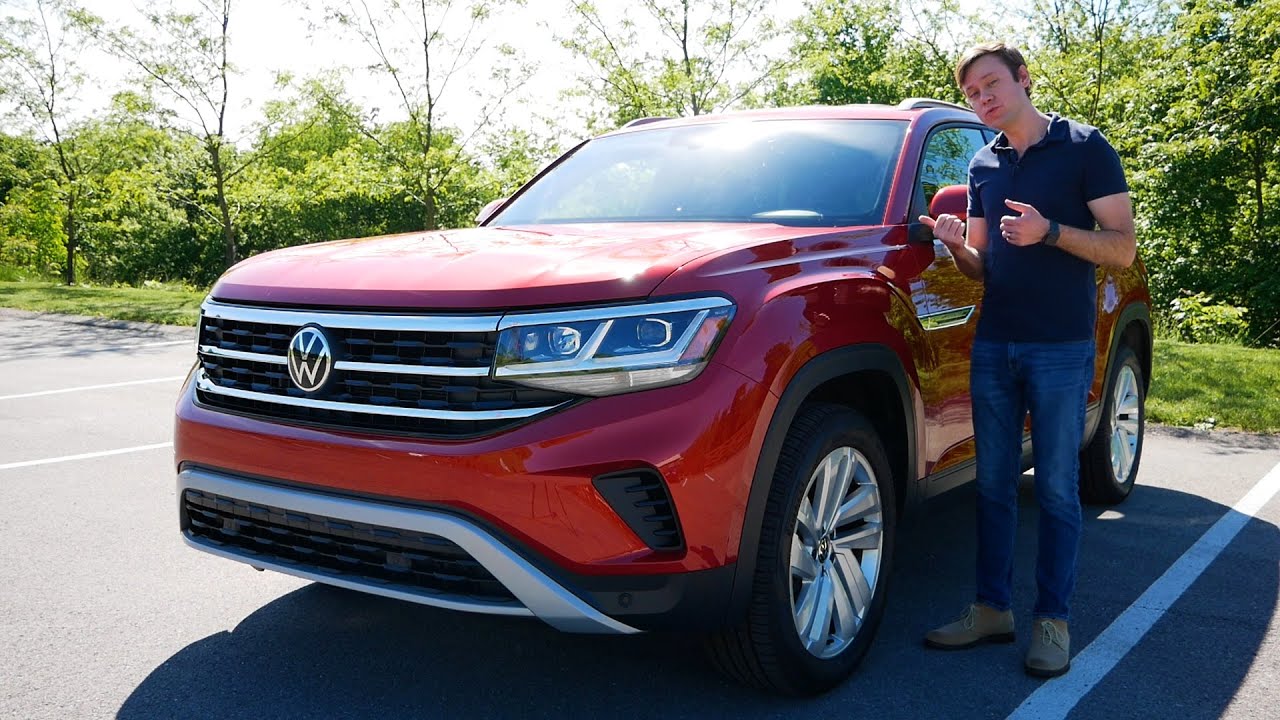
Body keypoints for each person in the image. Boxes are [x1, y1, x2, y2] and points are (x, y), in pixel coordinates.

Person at [918, 42, 1137, 678]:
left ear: (1023, 79)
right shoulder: (983, 164)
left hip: (1061, 346)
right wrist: (958, 246)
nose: (981, 99)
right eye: (971, 93)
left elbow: (1122, 249)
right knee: (992, 485)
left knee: (1060, 488)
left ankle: (1053, 620)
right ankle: (991, 609)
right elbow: (985, 267)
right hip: (996, 343)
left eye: (990, 85)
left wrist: (1053, 233)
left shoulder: (1084, 147)